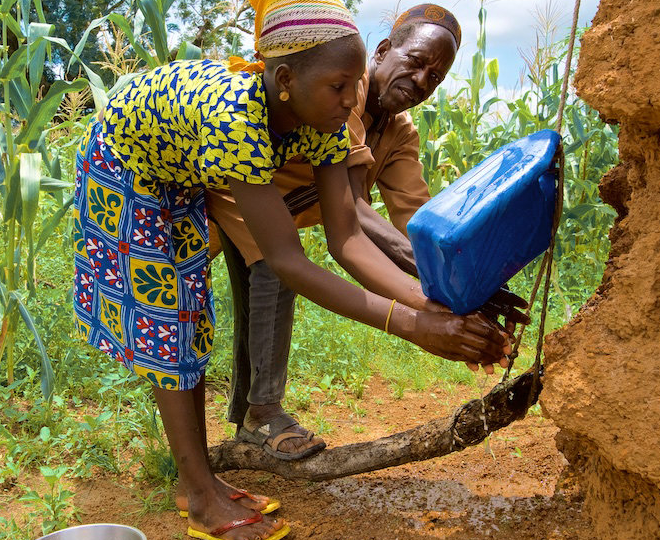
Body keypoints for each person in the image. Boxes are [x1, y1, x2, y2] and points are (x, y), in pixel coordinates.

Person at [70, 0, 510, 538]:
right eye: (340, 87)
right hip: (125, 166)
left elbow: (346, 238)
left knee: (189, 319)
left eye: (354, 88)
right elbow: (287, 260)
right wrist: (416, 326)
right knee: (166, 324)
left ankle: (196, 481)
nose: (352, 100)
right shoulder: (236, 118)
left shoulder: (327, 117)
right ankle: (203, 497)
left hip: (185, 176)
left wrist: (434, 303)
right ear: (285, 78)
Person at [206, 3, 527, 461]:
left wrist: (470, 282)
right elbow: (354, 213)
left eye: (434, 77)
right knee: (270, 276)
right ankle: (259, 416)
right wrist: (435, 302)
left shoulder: (399, 130)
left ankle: (255, 416)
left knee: (265, 286)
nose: (421, 82)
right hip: (239, 195)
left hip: (275, 211)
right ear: (383, 51)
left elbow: (419, 222)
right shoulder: (338, 94)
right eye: (415, 62)